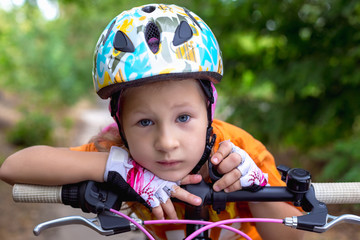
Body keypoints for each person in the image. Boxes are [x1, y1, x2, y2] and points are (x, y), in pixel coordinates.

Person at [0, 3, 303, 240]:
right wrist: (115, 168)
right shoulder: (123, 153)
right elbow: (12, 167)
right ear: (120, 124)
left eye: (183, 117)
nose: (167, 142)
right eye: (145, 122)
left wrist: (256, 188)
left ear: (210, 112)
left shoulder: (236, 150)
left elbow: (292, 238)